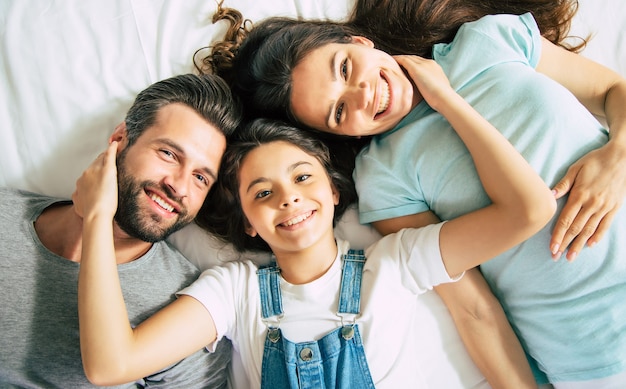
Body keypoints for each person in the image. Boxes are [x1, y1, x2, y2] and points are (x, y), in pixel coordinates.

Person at [198, 1, 626, 387]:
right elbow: (473, 308)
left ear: (358, 41)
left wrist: (618, 153)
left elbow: (613, 91)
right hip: (594, 351)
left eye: (345, 68)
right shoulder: (382, 176)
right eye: (339, 112)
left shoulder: (489, 39)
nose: (362, 95)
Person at [74, 81, 555, 388]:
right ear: (247, 220)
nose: (288, 199)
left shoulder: (397, 261)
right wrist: (99, 218)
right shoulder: (234, 292)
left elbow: (529, 209)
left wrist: (446, 97)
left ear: (334, 190)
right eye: (262, 193)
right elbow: (111, 365)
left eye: (303, 178)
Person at [0, 73, 240, 388]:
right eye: (168, 154)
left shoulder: (184, 307)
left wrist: (98, 215)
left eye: (200, 177)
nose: (179, 187)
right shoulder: (6, 216)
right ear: (119, 139)